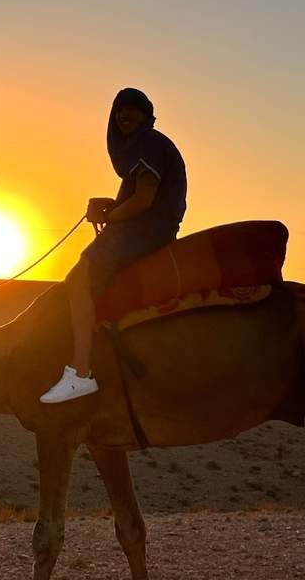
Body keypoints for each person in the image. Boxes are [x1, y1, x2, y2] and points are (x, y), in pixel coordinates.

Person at [40, 88, 187, 404]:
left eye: (132, 109)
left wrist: (110, 216)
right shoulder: (143, 149)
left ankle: (80, 374)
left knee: (77, 280)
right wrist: (111, 206)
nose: (123, 115)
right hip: (145, 228)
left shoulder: (148, 144)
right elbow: (139, 198)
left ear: (146, 116)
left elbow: (144, 200)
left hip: (146, 232)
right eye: (119, 109)